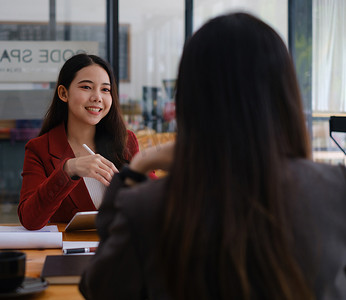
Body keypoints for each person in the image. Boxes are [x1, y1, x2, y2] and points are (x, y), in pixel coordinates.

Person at [79, 12, 346, 300]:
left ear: (190, 99)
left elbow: (98, 288)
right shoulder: (335, 189)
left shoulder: (147, 207)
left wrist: (139, 166)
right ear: (286, 95)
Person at [18, 53, 140, 230]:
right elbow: (30, 219)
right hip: (70, 254)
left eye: (105, 89)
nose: (97, 97)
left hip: (122, 250)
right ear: (63, 93)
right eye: (86, 87)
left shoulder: (126, 141)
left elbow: (155, 205)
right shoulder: (40, 149)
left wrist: (145, 166)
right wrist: (69, 169)